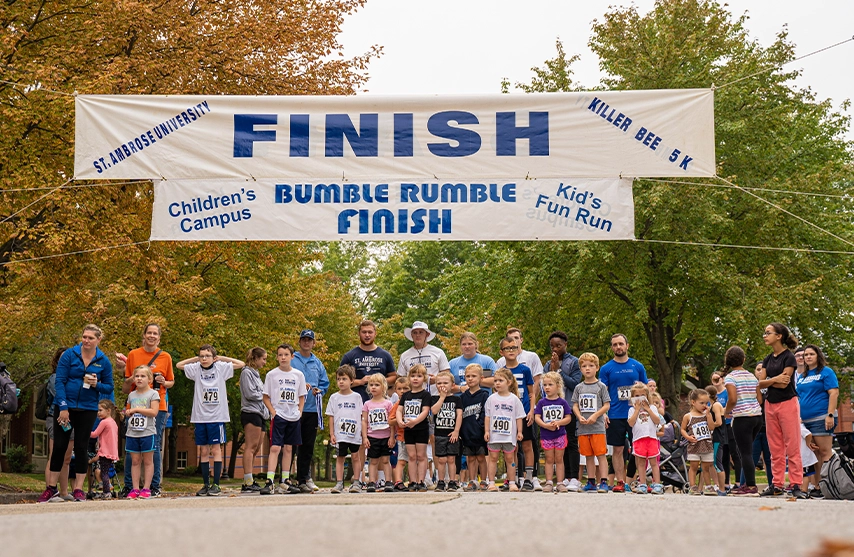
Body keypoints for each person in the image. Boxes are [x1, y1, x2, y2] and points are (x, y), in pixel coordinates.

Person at [39, 325, 114, 504]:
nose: (86, 340)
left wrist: (97, 384)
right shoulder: (69, 355)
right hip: (66, 407)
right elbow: (60, 381)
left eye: (90, 338)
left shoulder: (103, 361)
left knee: (81, 448)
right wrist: (63, 407)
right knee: (59, 446)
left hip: (88, 409)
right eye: (84, 337)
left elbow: (109, 386)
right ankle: (51, 489)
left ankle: (79, 489)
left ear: (98, 340)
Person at [177, 344, 244, 497]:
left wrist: (221, 358)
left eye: (207, 356)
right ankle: (206, 484)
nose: (204, 359)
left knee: (216, 449)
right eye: (202, 356)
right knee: (204, 451)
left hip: (217, 416)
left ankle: (216, 485)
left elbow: (241, 364)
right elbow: (179, 365)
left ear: (214, 358)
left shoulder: (220, 368)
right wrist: (197, 359)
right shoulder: (196, 369)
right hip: (200, 416)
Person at [116, 323, 174, 498]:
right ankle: (130, 486)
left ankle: (153, 486)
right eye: (149, 333)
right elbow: (126, 387)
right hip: (133, 407)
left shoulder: (166, 356)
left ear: (159, 337)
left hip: (157, 405)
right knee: (131, 449)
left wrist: (164, 382)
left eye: (155, 333)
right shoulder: (133, 355)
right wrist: (133, 378)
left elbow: (171, 382)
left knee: (154, 447)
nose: (152, 336)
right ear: (144, 335)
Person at [757, 323, 805, 498]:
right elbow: (760, 383)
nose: (764, 335)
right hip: (770, 405)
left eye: (768, 333)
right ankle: (777, 484)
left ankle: (795, 485)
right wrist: (774, 379)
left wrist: (770, 379)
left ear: (778, 336)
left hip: (788, 403)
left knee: (792, 446)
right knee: (775, 448)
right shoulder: (768, 359)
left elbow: (785, 382)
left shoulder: (789, 357)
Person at [496, 327, 544, 490]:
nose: (511, 350)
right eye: (507, 348)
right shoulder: (501, 371)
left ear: (518, 349)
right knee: (511, 447)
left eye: (514, 347)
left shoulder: (525, 369)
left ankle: (529, 478)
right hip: (507, 415)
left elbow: (532, 393)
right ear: (501, 352)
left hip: (524, 412)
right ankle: (513, 478)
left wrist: (531, 411)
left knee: (527, 445)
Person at [599, 333, 648, 493]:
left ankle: (639, 481)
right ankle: (620, 482)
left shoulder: (637, 366)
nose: (618, 347)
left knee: (639, 449)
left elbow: (646, 390)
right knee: (618, 449)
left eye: (621, 344)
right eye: (615, 344)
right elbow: (602, 393)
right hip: (615, 414)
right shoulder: (606, 368)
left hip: (637, 414)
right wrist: (604, 413)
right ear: (612, 348)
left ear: (627, 346)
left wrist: (647, 410)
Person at [260, 343, 305, 495]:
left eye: (286, 354)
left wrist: (300, 412)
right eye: (280, 355)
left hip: (293, 416)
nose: (283, 357)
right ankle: (270, 480)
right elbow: (265, 397)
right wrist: (273, 412)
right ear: (277, 357)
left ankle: (285, 480)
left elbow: (301, 396)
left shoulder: (298, 375)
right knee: (275, 447)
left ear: (292, 356)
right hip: (279, 415)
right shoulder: (272, 375)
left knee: (289, 448)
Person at [796, 344, 839, 498]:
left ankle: (830, 485)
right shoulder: (802, 376)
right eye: (805, 354)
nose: (807, 357)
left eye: (811, 354)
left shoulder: (826, 372)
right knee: (813, 454)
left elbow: (833, 393)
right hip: (805, 421)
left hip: (822, 418)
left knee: (824, 452)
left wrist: (830, 415)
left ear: (818, 356)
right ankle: (818, 486)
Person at [291, 330, 330, 493]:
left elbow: (324, 383)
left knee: (307, 446)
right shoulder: (292, 359)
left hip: (312, 410)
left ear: (314, 343)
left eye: (310, 340)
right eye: (304, 340)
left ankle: (303, 479)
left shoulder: (317, 362)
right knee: (290, 445)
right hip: (293, 409)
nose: (306, 343)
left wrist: (319, 390)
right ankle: (285, 478)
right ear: (299, 342)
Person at [721, 346, 763, 496]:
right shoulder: (752, 376)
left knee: (744, 453)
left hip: (742, 418)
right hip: (757, 417)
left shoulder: (730, 378)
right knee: (747, 451)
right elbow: (759, 398)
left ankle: (751, 486)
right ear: (744, 359)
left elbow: (732, 399)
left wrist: (726, 412)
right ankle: (746, 483)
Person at [542, 331, 582, 491]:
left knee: (571, 442)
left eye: (558, 345)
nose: (555, 349)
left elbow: (575, 383)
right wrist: (551, 369)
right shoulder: (547, 364)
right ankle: (563, 478)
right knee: (558, 446)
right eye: (552, 346)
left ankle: (574, 477)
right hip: (552, 411)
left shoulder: (574, 362)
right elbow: (545, 386)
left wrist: (559, 370)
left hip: (569, 409)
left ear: (565, 344)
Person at [571, 352, 611, 493]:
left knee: (601, 455)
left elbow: (606, 405)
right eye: (584, 366)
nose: (587, 368)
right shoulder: (579, 387)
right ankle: (591, 481)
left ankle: (604, 482)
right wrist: (578, 415)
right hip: (583, 427)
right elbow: (575, 404)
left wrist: (596, 415)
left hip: (598, 427)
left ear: (597, 368)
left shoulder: (601, 386)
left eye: (591, 366)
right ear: (580, 369)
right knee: (588, 455)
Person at [484, 367, 526, 492]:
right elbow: (487, 416)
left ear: (509, 382)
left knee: (510, 459)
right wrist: (486, 431)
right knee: (493, 458)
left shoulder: (514, 399)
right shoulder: (491, 398)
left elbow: (519, 417)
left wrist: (519, 432)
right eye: (495, 380)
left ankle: (512, 482)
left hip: (509, 436)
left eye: (500, 380)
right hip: (494, 435)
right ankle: (491, 482)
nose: (497, 383)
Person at [123, 365, 161, 499]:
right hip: (133, 432)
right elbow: (128, 410)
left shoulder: (153, 394)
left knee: (148, 461)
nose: (139, 379)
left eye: (143, 376)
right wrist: (127, 413)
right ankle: (135, 488)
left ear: (149, 379)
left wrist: (136, 410)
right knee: (135, 461)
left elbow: (154, 412)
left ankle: (146, 488)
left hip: (147, 432)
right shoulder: (131, 395)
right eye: (137, 376)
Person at [327, 365, 364, 494]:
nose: (341, 382)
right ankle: (339, 483)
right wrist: (332, 433)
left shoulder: (357, 397)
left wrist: (362, 433)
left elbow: (361, 415)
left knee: (355, 457)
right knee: (340, 457)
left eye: (344, 379)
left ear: (352, 380)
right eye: (338, 379)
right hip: (340, 434)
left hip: (354, 434)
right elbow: (331, 416)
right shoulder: (334, 398)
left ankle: (356, 482)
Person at [43, 347, 73, 502]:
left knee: (67, 458)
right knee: (55, 454)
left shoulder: (75, 378)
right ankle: (50, 490)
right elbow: (60, 396)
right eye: (62, 358)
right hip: (56, 417)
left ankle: (63, 492)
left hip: (73, 418)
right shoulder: (55, 378)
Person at [534, 371, 572, 492]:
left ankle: (560, 482)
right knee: (549, 459)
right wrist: (545, 425)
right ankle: (549, 482)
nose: (547, 387)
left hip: (560, 434)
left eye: (550, 384)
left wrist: (559, 423)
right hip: (546, 435)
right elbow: (537, 417)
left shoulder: (562, 402)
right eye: (545, 385)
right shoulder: (541, 402)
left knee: (559, 459)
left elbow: (568, 418)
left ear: (558, 386)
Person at [396, 363, 432, 492]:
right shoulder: (406, 395)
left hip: (421, 428)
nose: (415, 378)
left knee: (421, 456)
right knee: (411, 456)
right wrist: (400, 421)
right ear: (409, 378)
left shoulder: (425, 395)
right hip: (408, 429)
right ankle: (412, 482)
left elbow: (425, 411)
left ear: (424, 378)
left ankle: (421, 481)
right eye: (413, 376)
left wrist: (415, 421)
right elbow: (400, 410)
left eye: (419, 376)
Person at [340, 320, 397, 401]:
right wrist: (360, 381)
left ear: (375, 333)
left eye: (370, 332)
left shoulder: (385, 355)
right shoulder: (349, 356)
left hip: (380, 403)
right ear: (359, 333)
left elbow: (394, 377)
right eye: (364, 332)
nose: (367, 335)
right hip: (355, 403)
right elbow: (340, 381)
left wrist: (379, 381)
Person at [239, 347, 270, 493]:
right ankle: (247, 481)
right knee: (250, 447)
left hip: (261, 413)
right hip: (251, 412)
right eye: (263, 359)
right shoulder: (246, 372)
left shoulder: (256, 374)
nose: (265, 362)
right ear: (256, 358)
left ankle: (250, 478)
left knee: (256, 448)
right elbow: (250, 393)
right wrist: (265, 396)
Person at [397, 321, 450, 395]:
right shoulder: (404, 355)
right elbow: (400, 379)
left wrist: (436, 379)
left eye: (421, 332)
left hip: (435, 396)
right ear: (411, 335)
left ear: (427, 334)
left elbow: (447, 374)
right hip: (413, 398)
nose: (417, 335)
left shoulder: (438, 352)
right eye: (415, 333)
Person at [362, 373, 395, 493]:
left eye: (377, 385)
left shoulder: (388, 403)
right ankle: (371, 481)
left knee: (386, 460)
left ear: (383, 387)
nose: (373, 387)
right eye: (371, 385)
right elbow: (364, 421)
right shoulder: (367, 404)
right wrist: (365, 437)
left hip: (385, 436)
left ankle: (388, 482)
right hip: (372, 436)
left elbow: (392, 422)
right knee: (373, 461)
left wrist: (392, 436)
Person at [628, 382, 663, 495]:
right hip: (639, 439)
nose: (640, 398)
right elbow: (631, 423)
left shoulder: (652, 407)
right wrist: (637, 410)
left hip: (651, 438)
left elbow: (657, 421)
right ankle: (642, 484)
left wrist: (648, 409)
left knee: (654, 463)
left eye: (642, 395)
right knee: (641, 463)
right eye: (637, 396)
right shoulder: (632, 410)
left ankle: (657, 484)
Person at [431, 371, 463, 491]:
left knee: (451, 459)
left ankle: (452, 481)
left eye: (445, 382)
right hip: (439, 433)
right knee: (441, 459)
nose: (442, 385)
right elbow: (434, 411)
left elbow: (459, 415)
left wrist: (456, 431)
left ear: (452, 385)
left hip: (452, 434)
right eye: (439, 383)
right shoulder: (434, 398)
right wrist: (442, 398)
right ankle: (440, 481)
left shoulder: (456, 399)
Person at [460, 364, 489, 491]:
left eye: (473, 376)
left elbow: (485, 413)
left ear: (481, 378)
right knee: (470, 458)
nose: (470, 379)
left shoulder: (484, 395)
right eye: (468, 376)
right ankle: (472, 481)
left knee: (481, 457)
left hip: (480, 432)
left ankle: (483, 481)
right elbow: (460, 415)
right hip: (466, 432)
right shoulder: (462, 397)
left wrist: (481, 427)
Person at [89, 400, 118, 499]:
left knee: (104, 473)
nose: (98, 413)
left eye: (100, 410)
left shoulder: (104, 422)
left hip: (105, 452)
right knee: (105, 472)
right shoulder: (113, 422)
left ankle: (107, 492)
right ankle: (107, 490)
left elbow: (94, 434)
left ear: (108, 410)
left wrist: (85, 430)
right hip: (112, 451)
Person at [704, 385, 727, 495]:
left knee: (717, 463)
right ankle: (719, 486)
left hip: (718, 437)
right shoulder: (711, 405)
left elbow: (719, 422)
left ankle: (722, 489)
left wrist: (710, 424)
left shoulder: (716, 405)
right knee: (713, 463)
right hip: (714, 437)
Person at [389, 376, 410, 491]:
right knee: (401, 460)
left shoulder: (415, 402)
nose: (402, 391)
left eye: (406, 388)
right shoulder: (397, 405)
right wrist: (400, 419)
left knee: (414, 460)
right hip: (402, 437)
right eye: (400, 389)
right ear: (396, 390)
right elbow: (390, 421)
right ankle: (398, 481)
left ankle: (414, 481)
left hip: (415, 436)